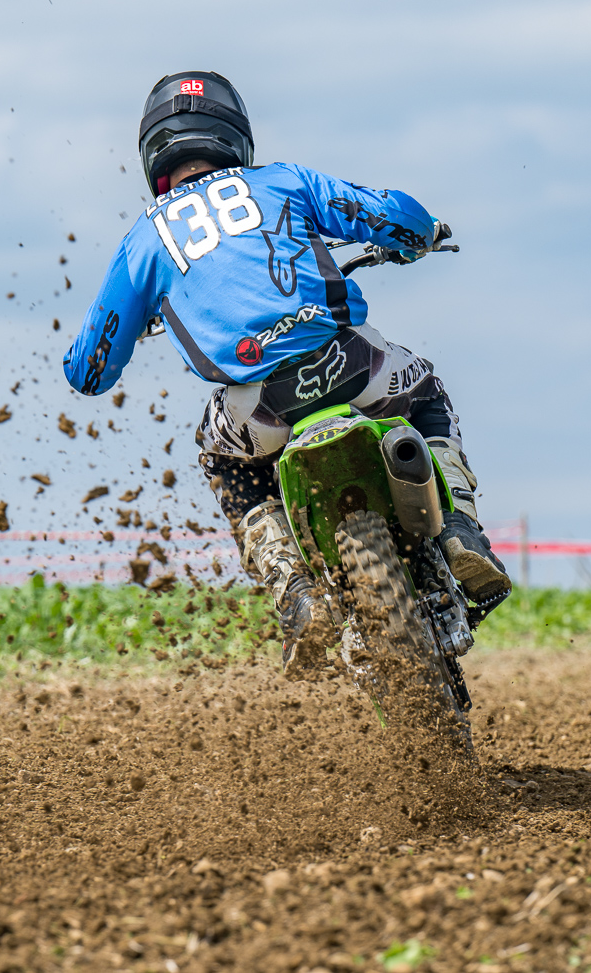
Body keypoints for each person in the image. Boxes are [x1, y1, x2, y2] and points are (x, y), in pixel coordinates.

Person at [62, 70, 509, 675]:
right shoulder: (283, 181)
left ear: (153, 155)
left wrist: (128, 327)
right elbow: (390, 214)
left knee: (221, 460)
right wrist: (421, 234)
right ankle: (459, 528)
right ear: (234, 134)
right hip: (353, 369)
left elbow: (90, 371)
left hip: (260, 411)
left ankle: (295, 591)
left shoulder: (144, 241)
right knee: (426, 392)